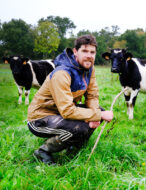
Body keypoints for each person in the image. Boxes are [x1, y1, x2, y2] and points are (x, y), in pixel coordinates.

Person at [27, 34, 113, 165]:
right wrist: (97, 115)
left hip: (60, 113)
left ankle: (74, 147)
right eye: (84, 51)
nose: (89, 55)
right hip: (40, 118)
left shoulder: (89, 68)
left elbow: (92, 95)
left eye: (92, 52)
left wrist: (96, 114)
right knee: (80, 127)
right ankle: (43, 151)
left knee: (97, 112)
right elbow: (67, 111)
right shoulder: (62, 73)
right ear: (75, 52)